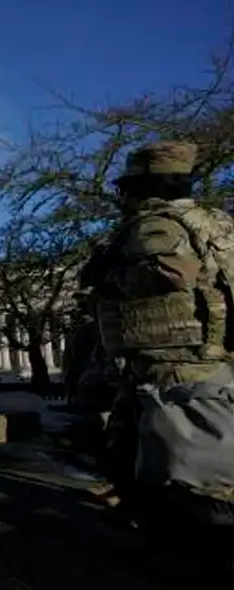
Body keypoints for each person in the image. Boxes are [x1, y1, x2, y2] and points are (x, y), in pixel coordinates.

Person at [81, 140, 234, 577]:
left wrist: (107, 279)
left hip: (173, 363)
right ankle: (158, 538)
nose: (123, 197)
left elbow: (172, 272)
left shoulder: (155, 225)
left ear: (143, 185)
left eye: (127, 187)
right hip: (203, 356)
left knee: (192, 472)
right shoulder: (216, 222)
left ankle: (200, 555)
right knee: (131, 452)